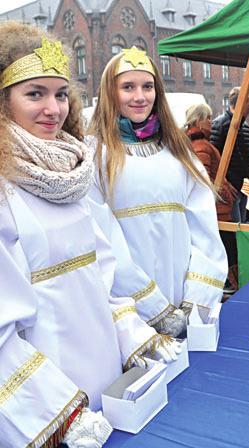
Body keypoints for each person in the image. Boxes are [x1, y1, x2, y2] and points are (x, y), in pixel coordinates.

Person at [0, 23, 179, 448]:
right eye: (34, 93)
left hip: (107, 396)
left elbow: (102, 281)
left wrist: (137, 339)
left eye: (60, 94)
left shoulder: (68, 177)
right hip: (43, 415)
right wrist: (60, 415)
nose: (53, 108)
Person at [87, 47, 227, 335]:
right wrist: (153, 309)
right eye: (128, 87)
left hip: (184, 304)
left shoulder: (180, 155)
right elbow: (103, 241)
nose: (140, 96)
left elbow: (205, 233)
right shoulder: (96, 156)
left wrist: (194, 303)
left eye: (147, 86)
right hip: (129, 314)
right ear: (110, 93)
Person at [183, 103, 238, 292]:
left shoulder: (200, 144)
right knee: (225, 247)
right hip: (218, 212)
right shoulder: (200, 146)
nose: (211, 122)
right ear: (198, 120)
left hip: (219, 209)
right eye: (208, 118)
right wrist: (221, 192)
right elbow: (202, 179)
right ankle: (227, 283)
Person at [210, 87, 249, 223]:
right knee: (235, 228)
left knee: (243, 225)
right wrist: (225, 185)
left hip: (244, 188)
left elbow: (248, 159)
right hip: (230, 189)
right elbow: (214, 158)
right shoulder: (220, 125)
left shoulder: (245, 127)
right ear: (241, 104)